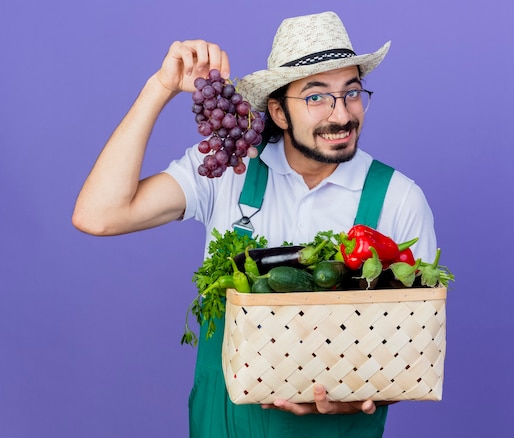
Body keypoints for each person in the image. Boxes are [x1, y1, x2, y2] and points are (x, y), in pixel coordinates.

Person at [72, 10, 437, 438]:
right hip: (226, 421)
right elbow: (98, 216)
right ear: (279, 113)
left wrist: (353, 398)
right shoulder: (229, 171)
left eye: (352, 92)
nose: (342, 115)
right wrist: (160, 88)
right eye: (317, 97)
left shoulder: (399, 197)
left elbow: (416, 353)